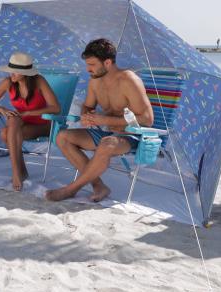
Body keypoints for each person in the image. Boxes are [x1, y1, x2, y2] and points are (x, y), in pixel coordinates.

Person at [45, 38, 153, 202]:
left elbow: (147, 119)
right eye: (87, 65)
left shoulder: (129, 80)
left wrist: (104, 119)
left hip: (131, 135)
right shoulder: (95, 81)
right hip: (106, 132)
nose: (88, 69)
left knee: (107, 143)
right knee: (62, 137)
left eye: (92, 65)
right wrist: (86, 116)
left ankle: (71, 189)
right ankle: (99, 186)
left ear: (108, 62)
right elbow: (87, 106)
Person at [0, 52, 61, 191]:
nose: (11, 74)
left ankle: (18, 172)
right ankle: (18, 172)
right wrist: (2, 109)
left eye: (16, 71)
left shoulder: (39, 81)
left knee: (6, 133)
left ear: (26, 73)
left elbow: (56, 108)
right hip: (21, 125)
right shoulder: (8, 83)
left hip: (43, 125)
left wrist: (30, 112)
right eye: (10, 70)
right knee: (10, 124)